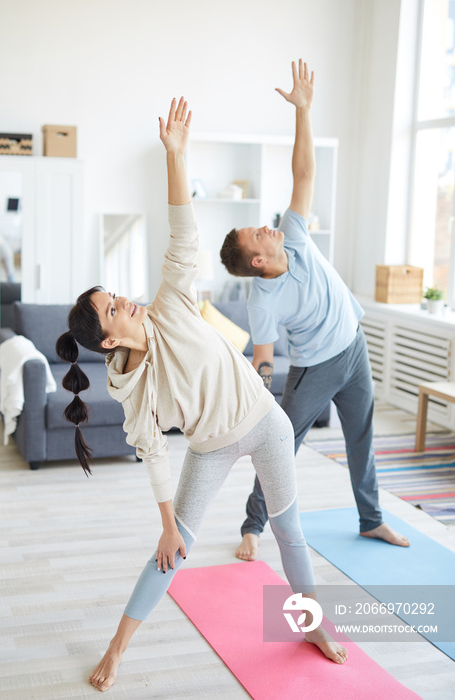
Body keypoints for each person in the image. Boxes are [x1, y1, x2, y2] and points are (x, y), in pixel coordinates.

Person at [56, 97, 348, 692]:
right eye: (114, 308)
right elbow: (153, 454)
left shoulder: (171, 301)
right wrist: (167, 524)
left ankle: (311, 623)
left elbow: (182, 228)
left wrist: (176, 156)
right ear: (109, 335)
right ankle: (117, 649)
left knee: (291, 532)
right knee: (171, 550)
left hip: (265, 422)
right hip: (209, 448)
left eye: (115, 294)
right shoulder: (128, 387)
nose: (125, 301)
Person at [219, 60, 410, 563]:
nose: (267, 227)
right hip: (315, 370)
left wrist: (304, 110)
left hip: (354, 347)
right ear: (257, 261)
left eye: (261, 225)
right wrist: (256, 400)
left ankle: (371, 521)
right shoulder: (262, 298)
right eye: (258, 233)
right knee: (283, 445)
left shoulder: (296, 235)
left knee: (361, 439)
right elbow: (263, 358)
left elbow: (304, 170)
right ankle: (252, 525)